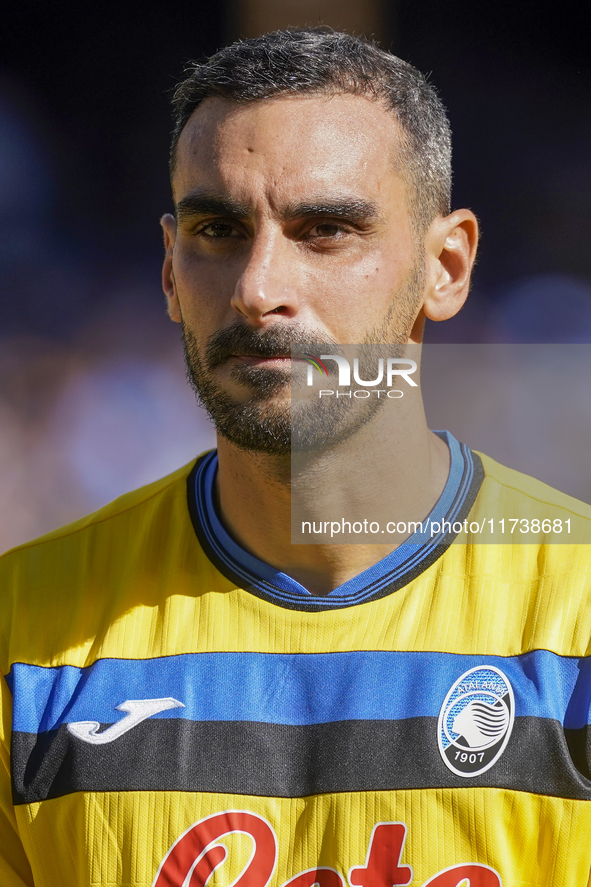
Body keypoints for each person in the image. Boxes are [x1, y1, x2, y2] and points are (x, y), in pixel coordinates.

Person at [1, 28, 590, 887]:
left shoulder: (573, 617)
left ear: (446, 266)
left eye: (324, 229)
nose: (257, 285)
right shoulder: (25, 637)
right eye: (217, 228)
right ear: (168, 270)